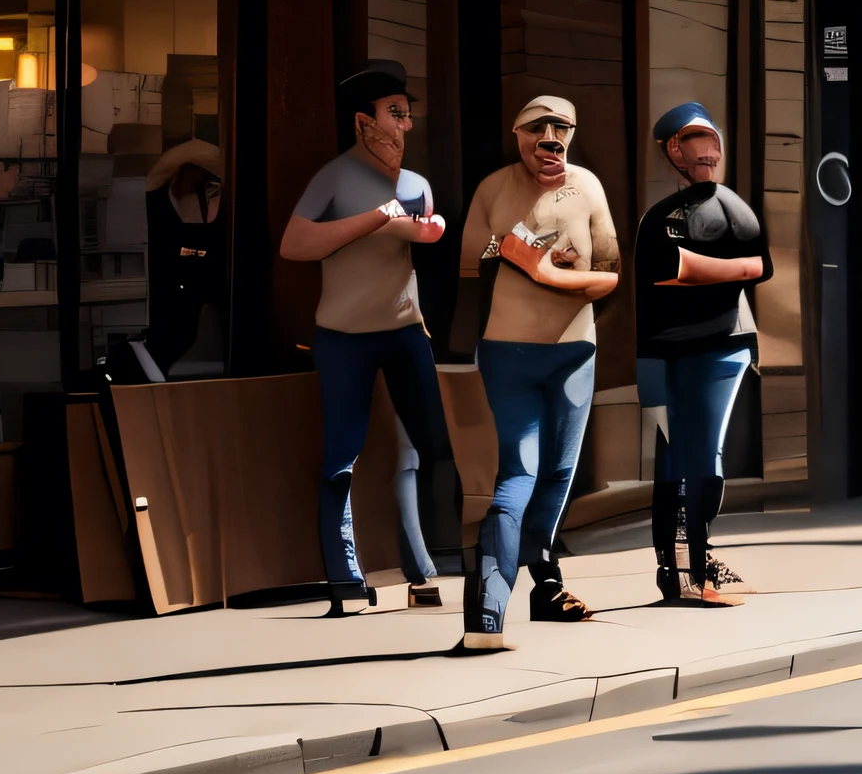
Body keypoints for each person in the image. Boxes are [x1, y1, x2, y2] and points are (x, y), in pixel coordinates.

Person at [277, 63, 456, 613]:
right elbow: (295, 244)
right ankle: (344, 581)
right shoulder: (334, 177)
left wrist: (420, 228)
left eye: (407, 114)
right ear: (363, 122)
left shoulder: (417, 184)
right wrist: (376, 217)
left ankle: (431, 568)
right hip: (344, 336)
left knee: (430, 447)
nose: (404, 125)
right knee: (342, 454)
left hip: (404, 331)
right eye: (393, 114)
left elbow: (414, 240)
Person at [452, 96, 623, 649]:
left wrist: (548, 272)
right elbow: (466, 265)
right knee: (519, 474)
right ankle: (487, 611)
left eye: (561, 128)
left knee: (559, 472)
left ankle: (545, 581)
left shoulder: (588, 186)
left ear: (572, 134)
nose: (549, 136)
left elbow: (611, 275)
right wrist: (509, 247)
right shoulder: (494, 188)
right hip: (509, 351)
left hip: (574, 352)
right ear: (517, 132)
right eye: (536, 128)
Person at [636, 100, 770, 605]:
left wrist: (705, 267)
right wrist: (726, 267)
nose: (710, 149)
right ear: (672, 149)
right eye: (697, 139)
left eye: (713, 138)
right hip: (663, 349)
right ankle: (679, 571)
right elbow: (667, 271)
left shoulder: (733, 207)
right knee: (673, 460)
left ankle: (697, 563)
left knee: (704, 458)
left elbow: (763, 265)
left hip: (724, 344)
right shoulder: (657, 218)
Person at [143, 138, 224, 376]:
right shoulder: (155, 203)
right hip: (164, 292)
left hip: (200, 293)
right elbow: (161, 247)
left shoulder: (208, 201)